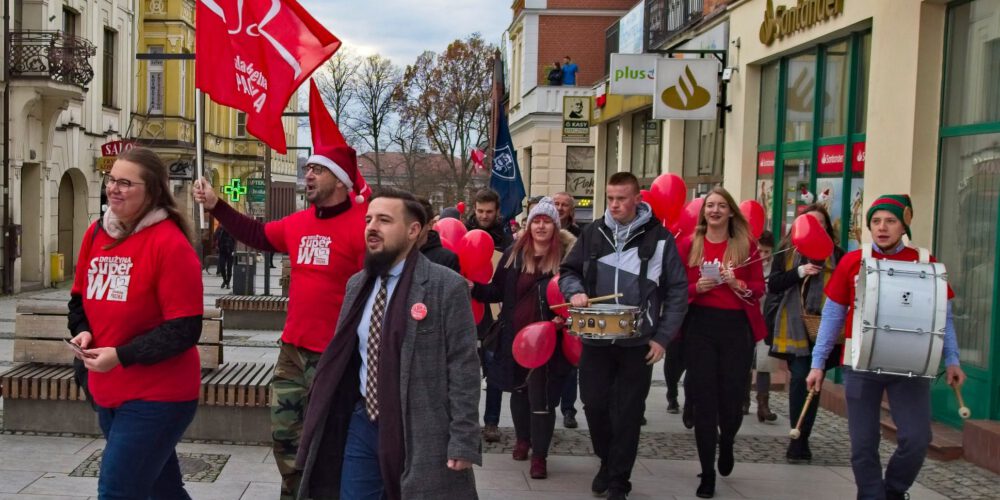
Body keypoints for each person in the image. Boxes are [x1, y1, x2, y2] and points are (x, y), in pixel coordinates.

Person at [192, 81, 368, 500]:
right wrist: (217, 205)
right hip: (292, 350)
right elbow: (255, 233)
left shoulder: (365, 226)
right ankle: (295, 492)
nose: (308, 173)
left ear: (340, 180)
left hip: (338, 356)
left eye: (317, 169)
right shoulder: (298, 222)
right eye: (307, 168)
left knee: (331, 438)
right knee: (284, 434)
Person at [296, 188, 481, 499]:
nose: (371, 227)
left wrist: (463, 438)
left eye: (384, 220)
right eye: (369, 219)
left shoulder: (446, 286)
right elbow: (344, 358)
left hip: (421, 429)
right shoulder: (358, 285)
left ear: (413, 231)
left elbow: (464, 367)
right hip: (364, 422)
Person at [806, 194, 966, 500]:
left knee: (917, 439)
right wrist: (818, 363)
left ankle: (893, 491)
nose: (882, 228)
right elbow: (832, 313)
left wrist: (953, 359)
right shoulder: (853, 261)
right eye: (876, 221)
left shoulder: (927, 263)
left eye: (890, 221)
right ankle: (870, 496)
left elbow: (942, 316)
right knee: (863, 444)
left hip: (912, 363)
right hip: (861, 363)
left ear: (904, 224)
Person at [68, 147, 203, 498]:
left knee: (116, 491)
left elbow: (185, 329)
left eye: (126, 183)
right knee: (163, 491)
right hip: (107, 389)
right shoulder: (96, 234)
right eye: (112, 180)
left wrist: (122, 354)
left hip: (158, 395)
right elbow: (79, 299)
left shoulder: (169, 244)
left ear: (153, 191)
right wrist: (82, 331)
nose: (114, 188)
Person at [559, 172, 688, 500]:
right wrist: (574, 291)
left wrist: (662, 338)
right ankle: (607, 459)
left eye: (621, 198)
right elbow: (568, 271)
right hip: (596, 340)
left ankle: (619, 480)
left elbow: (676, 291)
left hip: (638, 342)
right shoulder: (593, 233)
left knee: (629, 412)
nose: (614, 204)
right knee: (594, 404)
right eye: (610, 198)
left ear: (636, 200)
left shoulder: (659, 239)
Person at [472, 197, 576, 480]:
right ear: (529, 225)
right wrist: (473, 288)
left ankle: (539, 457)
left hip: (550, 339)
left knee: (541, 399)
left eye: (546, 221)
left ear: (555, 226)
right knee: (518, 391)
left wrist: (564, 318)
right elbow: (496, 291)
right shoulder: (514, 254)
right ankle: (522, 440)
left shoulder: (568, 257)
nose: (541, 226)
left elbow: (576, 294)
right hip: (515, 338)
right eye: (536, 221)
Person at [679, 187, 766, 499]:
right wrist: (696, 288)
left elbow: (758, 287)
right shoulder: (690, 244)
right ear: (704, 212)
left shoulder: (746, 245)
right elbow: (674, 286)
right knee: (704, 399)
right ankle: (707, 473)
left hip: (735, 329)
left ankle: (726, 439)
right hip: (701, 325)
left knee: (732, 400)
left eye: (720, 206)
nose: (714, 211)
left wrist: (736, 282)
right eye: (709, 206)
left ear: (731, 212)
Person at [766, 208, 844, 463]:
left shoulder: (838, 255)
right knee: (801, 378)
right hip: (794, 327)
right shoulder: (788, 253)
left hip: (826, 327)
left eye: (821, 224)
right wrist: (799, 272)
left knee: (814, 381)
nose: (817, 228)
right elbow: (774, 284)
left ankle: (804, 435)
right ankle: (797, 441)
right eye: (811, 223)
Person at [466, 188, 513, 442]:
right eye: (480, 211)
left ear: (497, 212)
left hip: (494, 314)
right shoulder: (463, 233)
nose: (484, 216)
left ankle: (491, 422)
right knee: (465, 373)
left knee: (493, 371)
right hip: (465, 311)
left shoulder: (507, 242)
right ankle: (465, 422)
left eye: (489, 212)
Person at [551, 192, 581, 428]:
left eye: (564, 205)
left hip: (571, 303)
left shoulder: (580, 237)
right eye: (556, 204)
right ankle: (547, 406)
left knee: (572, 362)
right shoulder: (540, 233)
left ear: (571, 210)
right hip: (546, 306)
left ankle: (569, 408)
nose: (560, 208)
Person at [746, 231, 778, 421]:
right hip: (748, 317)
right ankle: (743, 400)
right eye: (760, 251)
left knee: (764, 364)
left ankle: (763, 405)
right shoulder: (748, 264)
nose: (764, 256)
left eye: (767, 252)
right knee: (745, 362)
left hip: (767, 319)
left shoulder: (775, 267)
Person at [417, 197, 461, 273]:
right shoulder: (397, 253)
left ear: (430, 224)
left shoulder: (447, 258)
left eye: (418, 224)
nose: (411, 227)